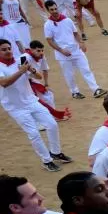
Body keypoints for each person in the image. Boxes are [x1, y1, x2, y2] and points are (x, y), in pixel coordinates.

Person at [0, 39, 69, 172]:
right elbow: (4, 83)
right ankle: (46, 160)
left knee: (52, 124)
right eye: (4, 49)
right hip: (15, 107)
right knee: (33, 133)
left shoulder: (20, 61)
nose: (8, 51)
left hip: (31, 100)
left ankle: (55, 152)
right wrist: (21, 71)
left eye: (9, 48)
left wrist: (31, 70)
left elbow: (38, 77)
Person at [42, 0, 107, 100]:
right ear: (48, 11)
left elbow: (75, 33)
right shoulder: (48, 25)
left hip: (76, 50)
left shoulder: (67, 20)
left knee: (86, 69)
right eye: (52, 10)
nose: (55, 11)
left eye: (55, 8)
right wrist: (61, 50)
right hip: (63, 54)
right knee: (69, 74)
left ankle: (96, 89)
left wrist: (81, 43)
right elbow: (49, 41)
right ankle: (74, 92)